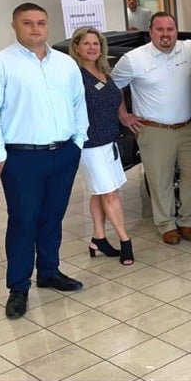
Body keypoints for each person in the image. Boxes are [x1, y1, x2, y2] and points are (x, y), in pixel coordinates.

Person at [0, 3, 89, 319]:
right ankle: (18, 287)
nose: (35, 28)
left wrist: (78, 142)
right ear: (14, 26)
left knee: (53, 217)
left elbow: (79, 104)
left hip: (63, 153)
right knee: (24, 221)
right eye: (27, 23)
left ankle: (49, 271)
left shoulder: (66, 64)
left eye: (40, 22)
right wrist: (0, 158)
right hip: (21, 158)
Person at [112, 12, 191, 245]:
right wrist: (124, 115)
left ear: (176, 31)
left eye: (170, 29)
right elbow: (112, 87)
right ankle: (166, 224)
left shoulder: (190, 49)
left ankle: (188, 221)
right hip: (154, 130)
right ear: (150, 32)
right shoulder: (133, 58)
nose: (166, 34)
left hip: (188, 128)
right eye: (160, 29)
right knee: (160, 179)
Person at [69, 27, 134, 265]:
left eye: (95, 43)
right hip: (90, 144)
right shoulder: (74, 76)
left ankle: (98, 238)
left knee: (100, 191)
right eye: (86, 43)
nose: (92, 47)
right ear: (76, 47)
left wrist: (125, 117)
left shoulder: (104, 73)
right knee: (110, 193)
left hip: (110, 140)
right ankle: (125, 240)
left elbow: (115, 101)